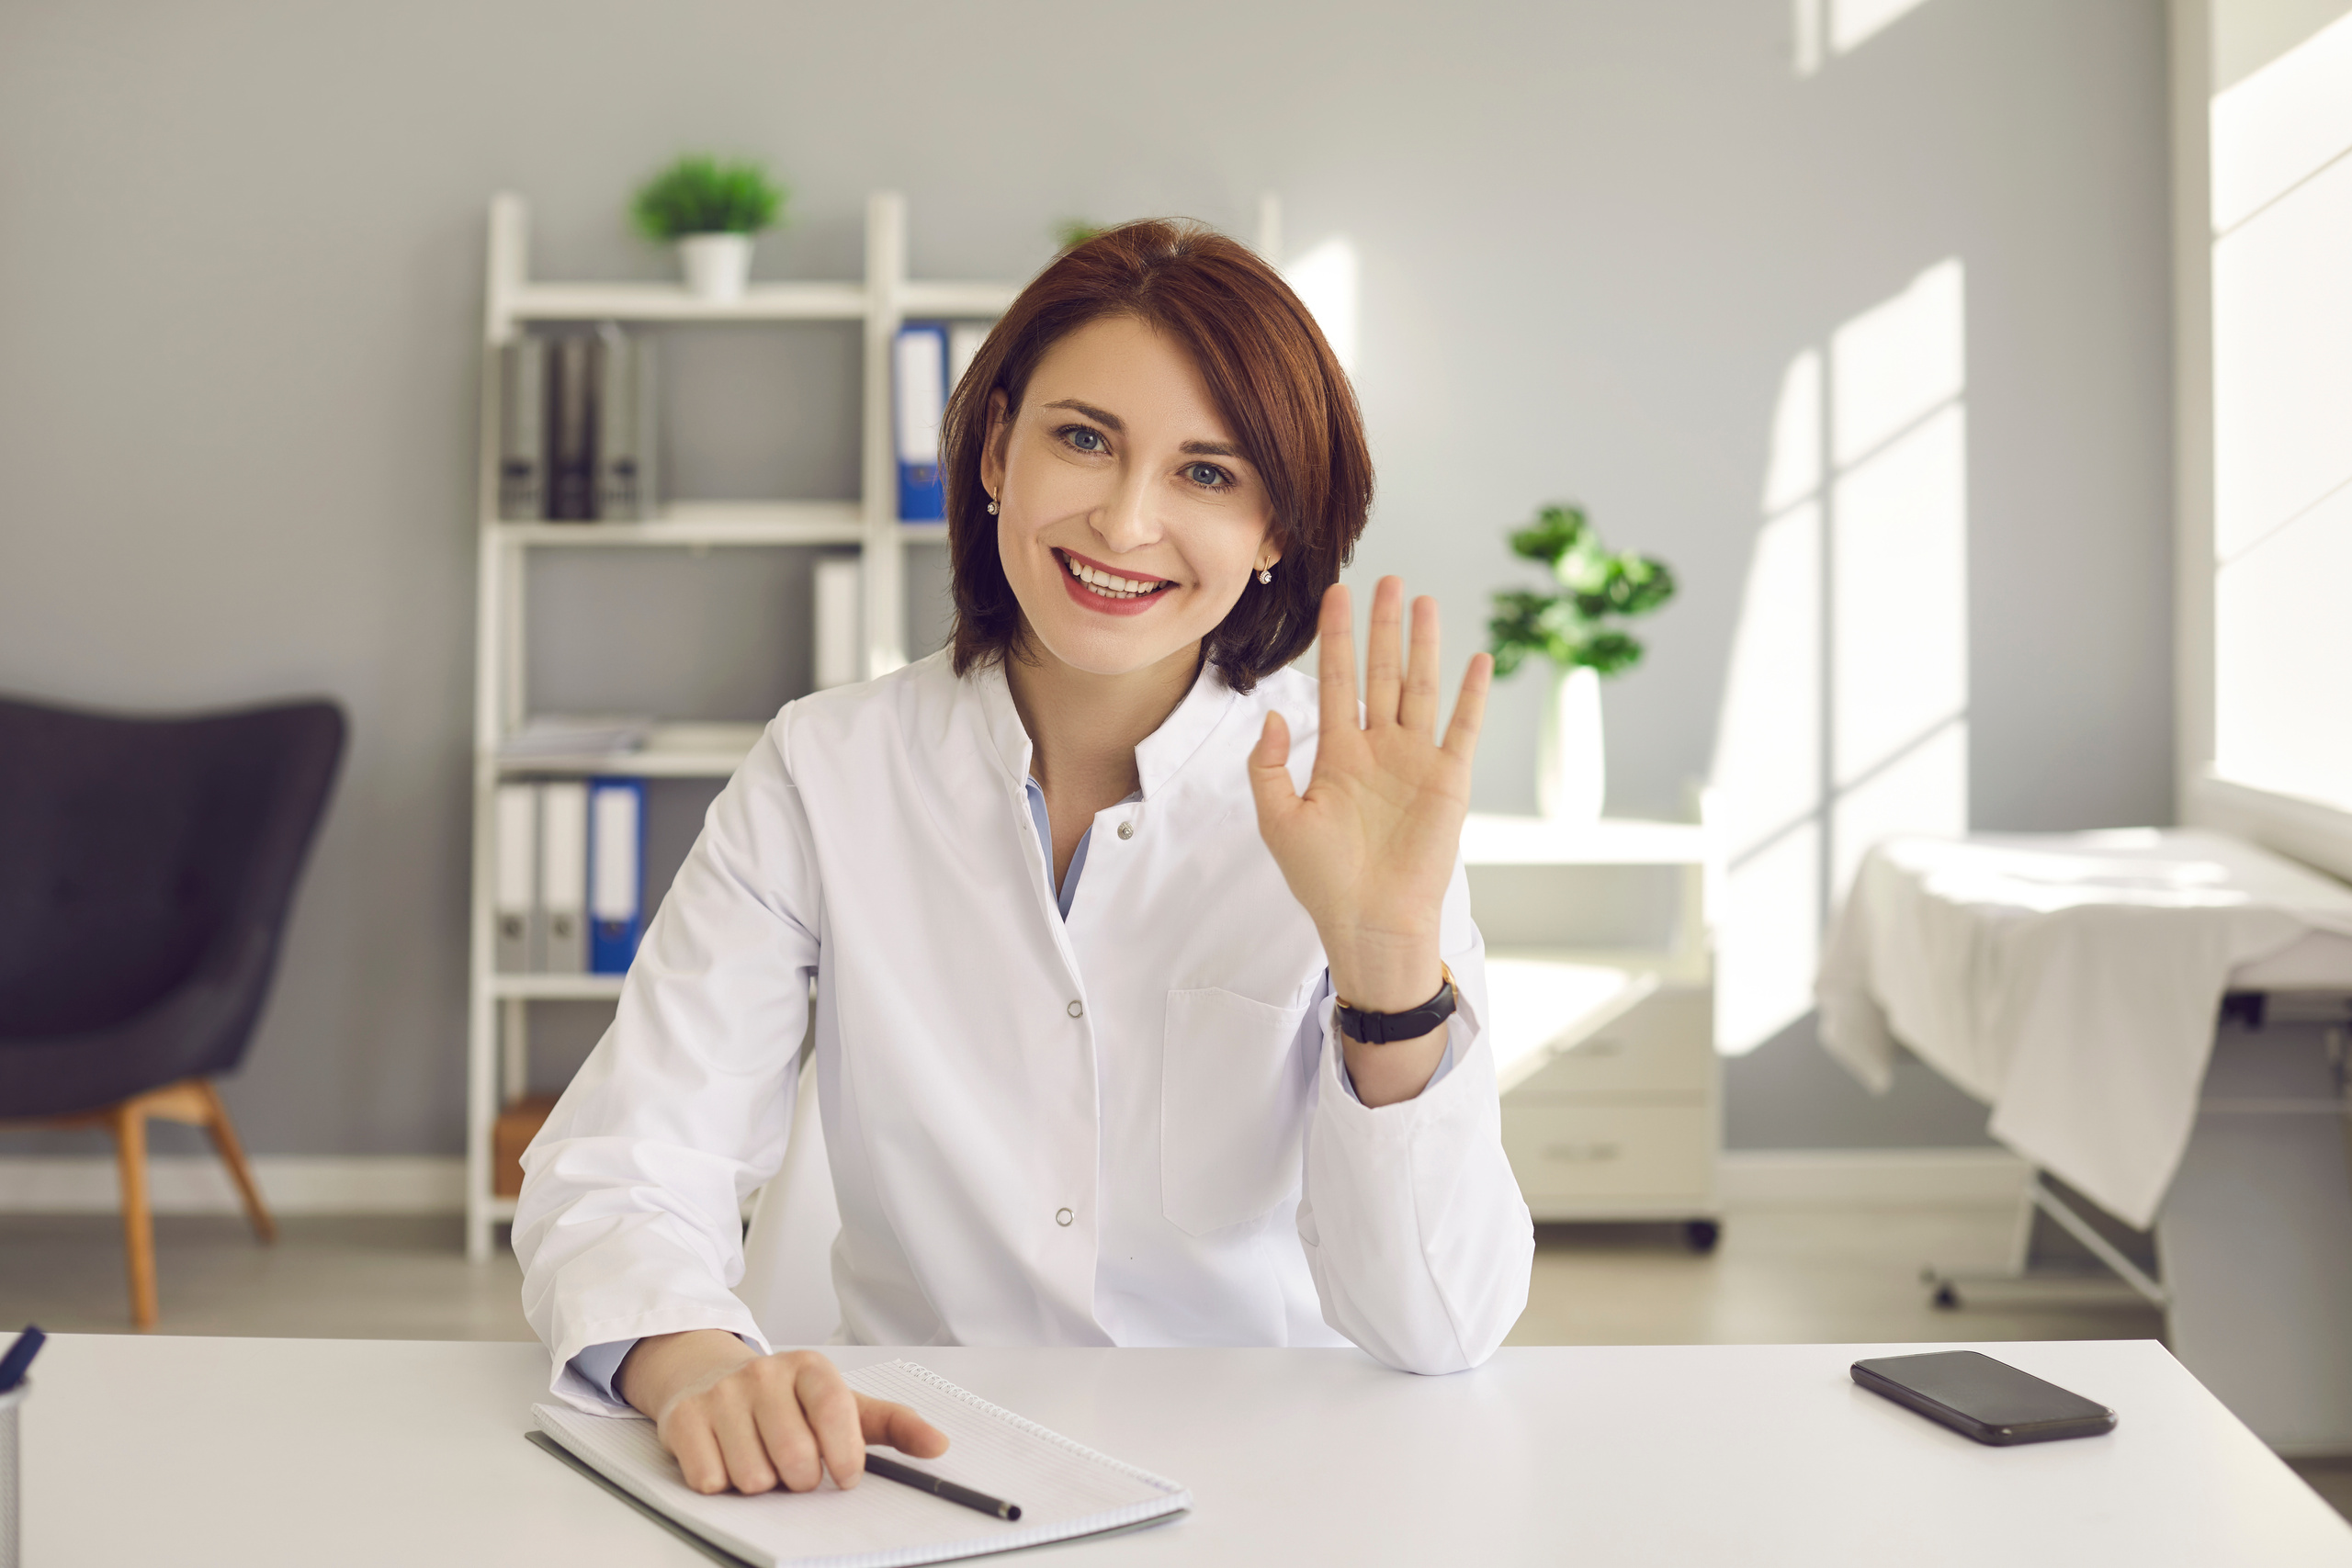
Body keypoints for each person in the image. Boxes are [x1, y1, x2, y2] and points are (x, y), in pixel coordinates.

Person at [514, 219, 1534, 1497]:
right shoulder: (826, 771)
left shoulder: (1355, 802)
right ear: (997, 448)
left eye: (1208, 475)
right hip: (910, 1473)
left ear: (1276, 530)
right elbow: (628, 1159)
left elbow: (1440, 1323)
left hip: (1276, 1484)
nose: (1126, 518)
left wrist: (1389, 966)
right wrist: (698, 1363)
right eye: (1084, 438)